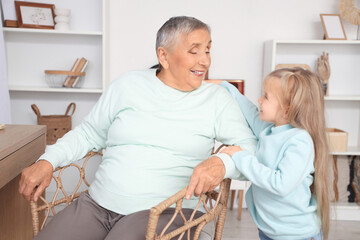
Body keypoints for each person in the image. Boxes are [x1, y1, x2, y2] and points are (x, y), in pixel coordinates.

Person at [19, 16, 257, 240]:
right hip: (97, 205)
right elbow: (88, 133)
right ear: (163, 56)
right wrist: (47, 161)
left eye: (207, 50)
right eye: (194, 51)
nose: (205, 60)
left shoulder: (217, 99)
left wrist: (222, 163)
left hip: (166, 212)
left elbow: (252, 150)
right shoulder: (127, 84)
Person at [208, 68, 330, 240]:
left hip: (296, 235)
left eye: (265, 96)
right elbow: (249, 110)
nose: (259, 100)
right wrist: (224, 86)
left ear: (287, 110)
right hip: (270, 231)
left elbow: (280, 184)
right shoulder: (269, 130)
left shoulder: (300, 141)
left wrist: (240, 156)